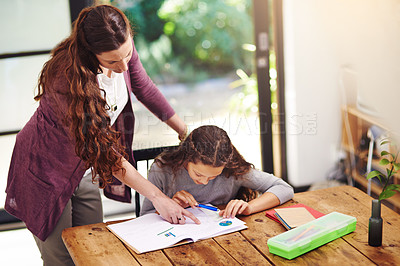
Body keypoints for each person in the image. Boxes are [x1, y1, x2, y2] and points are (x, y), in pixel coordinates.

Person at [4, 4, 199, 266]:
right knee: (62, 259)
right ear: (90, 51)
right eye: (111, 61)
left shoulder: (122, 50)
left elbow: (145, 88)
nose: (122, 66)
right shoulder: (68, 78)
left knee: (95, 249)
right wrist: (158, 197)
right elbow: (104, 152)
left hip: (83, 169)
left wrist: (184, 132)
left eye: (127, 55)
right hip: (44, 170)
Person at [140, 125, 294, 218]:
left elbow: (284, 188)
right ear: (186, 159)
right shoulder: (163, 169)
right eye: (198, 174)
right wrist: (170, 205)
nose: (205, 181)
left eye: (214, 176)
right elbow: (145, 217)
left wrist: (250, 208)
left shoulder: (233, 170)